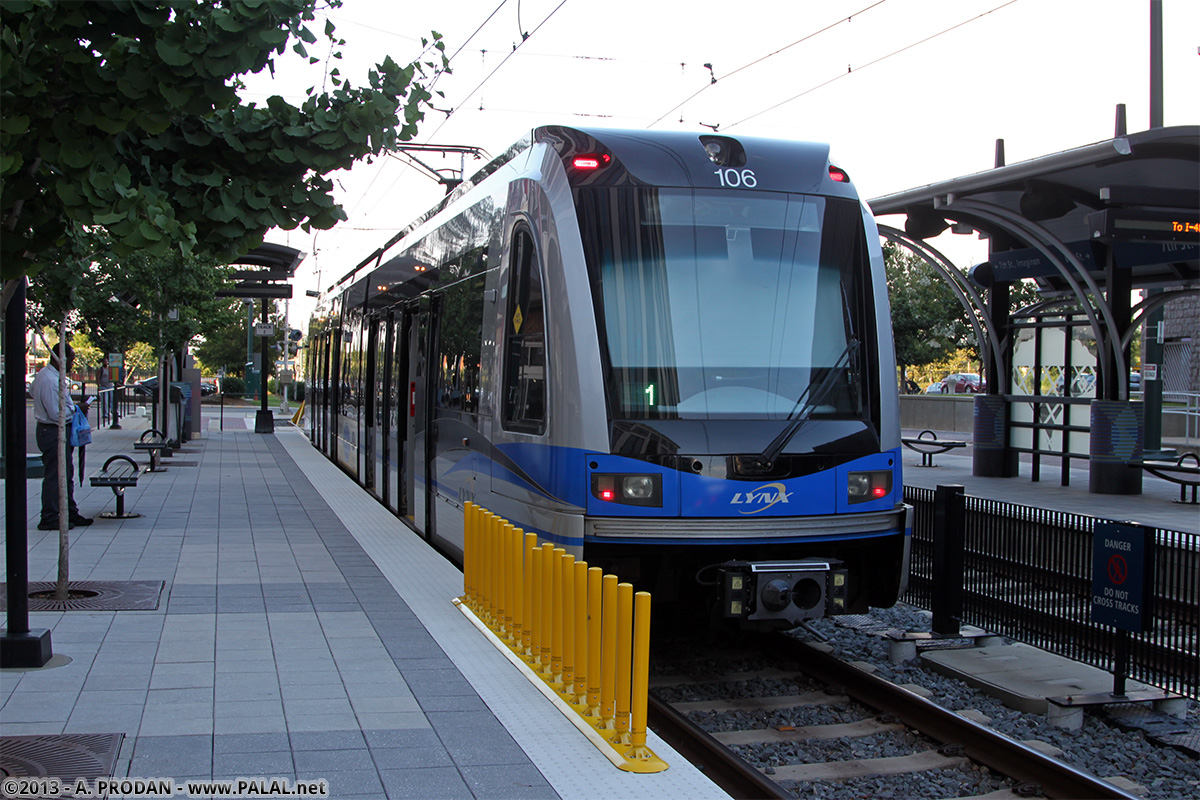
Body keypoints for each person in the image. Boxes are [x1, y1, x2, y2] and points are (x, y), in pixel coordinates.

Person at [32, 343, 93, 530]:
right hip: (52, 430)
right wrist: (76, 409)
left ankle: (68, 511)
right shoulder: (50, 380)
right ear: (61, 358)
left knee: (65, 474)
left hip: (55, 429)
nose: (73, 364)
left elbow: (32, 391)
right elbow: (55, 413)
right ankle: (49, 516)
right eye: (72, 360)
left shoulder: (49, 376)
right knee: (55, 475)